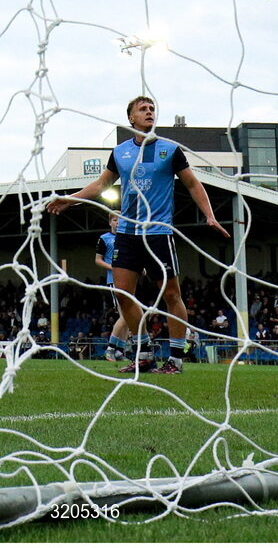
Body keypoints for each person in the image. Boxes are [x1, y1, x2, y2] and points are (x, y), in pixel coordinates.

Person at [47, 95, 229, 375]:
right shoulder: (120, 152)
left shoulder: (171, 150)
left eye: (152, 108)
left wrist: (209, 214)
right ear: (130, 118)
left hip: (158, 233)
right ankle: (143, 355)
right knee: (122, 295)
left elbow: (193, 184)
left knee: (170, 295)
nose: (149, 112)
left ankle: (176, 359)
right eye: (142, 109)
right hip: (128, 234)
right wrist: (70, 200)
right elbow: (100, 184)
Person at [95, 212, 130, 364]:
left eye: (121, 220)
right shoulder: (104, 239)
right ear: (110, 222)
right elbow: (97, 260)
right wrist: (113, 268)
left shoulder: (127, 238)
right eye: (115, 220)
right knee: (126, 316)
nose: (118, 223)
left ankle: (119, 351)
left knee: (129, 317)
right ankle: (110, 348)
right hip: (114, 280)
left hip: (129, 280)